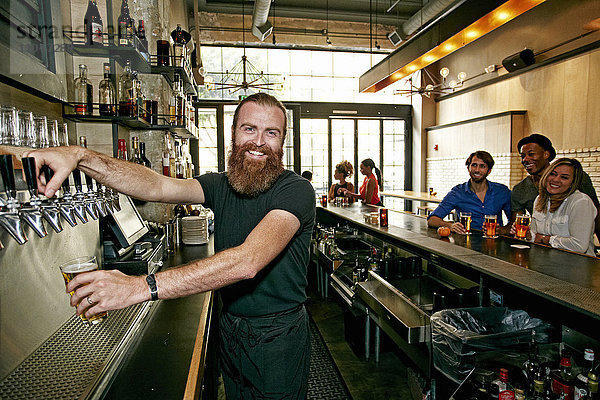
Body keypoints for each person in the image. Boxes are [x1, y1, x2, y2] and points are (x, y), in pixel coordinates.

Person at [24, 93, 316, 399]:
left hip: (278, 335)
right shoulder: (221, 185)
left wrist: (138, 287)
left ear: (282, 142)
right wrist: (81, 157)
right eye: (249, 129)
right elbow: (156, 185)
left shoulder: (296, 190)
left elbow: (247, 261)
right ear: (234, 134)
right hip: (230, 325)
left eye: (271, 133)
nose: (259, 142)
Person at [511, 133, 600, 243]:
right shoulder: (521, 190)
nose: (526, 159)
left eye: (531, 154)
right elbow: (520, 226)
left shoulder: (579, 182)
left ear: (546, 154)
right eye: (523, 156)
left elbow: (596, 215)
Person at [525, 158, 597, 256]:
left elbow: (579, 246)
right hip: (544, 263)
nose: (555, 180)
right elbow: (534, 235)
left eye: (564, 177)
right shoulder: (540, 199)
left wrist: (545, 239)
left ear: (573, 183)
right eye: (553, 174)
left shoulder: (581, 201)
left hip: (576, 267)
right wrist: (527, 234)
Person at [427, 151, 511, 234]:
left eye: (482, 166)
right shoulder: (457, 193)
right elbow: (432, 219)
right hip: (465, 243)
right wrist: (450, 225)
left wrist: (502, 230)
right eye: (474, 165)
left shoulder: (502, 191)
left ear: (489, 171)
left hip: (495, 243)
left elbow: (513, 221)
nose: (477, 170)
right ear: (468, 168)